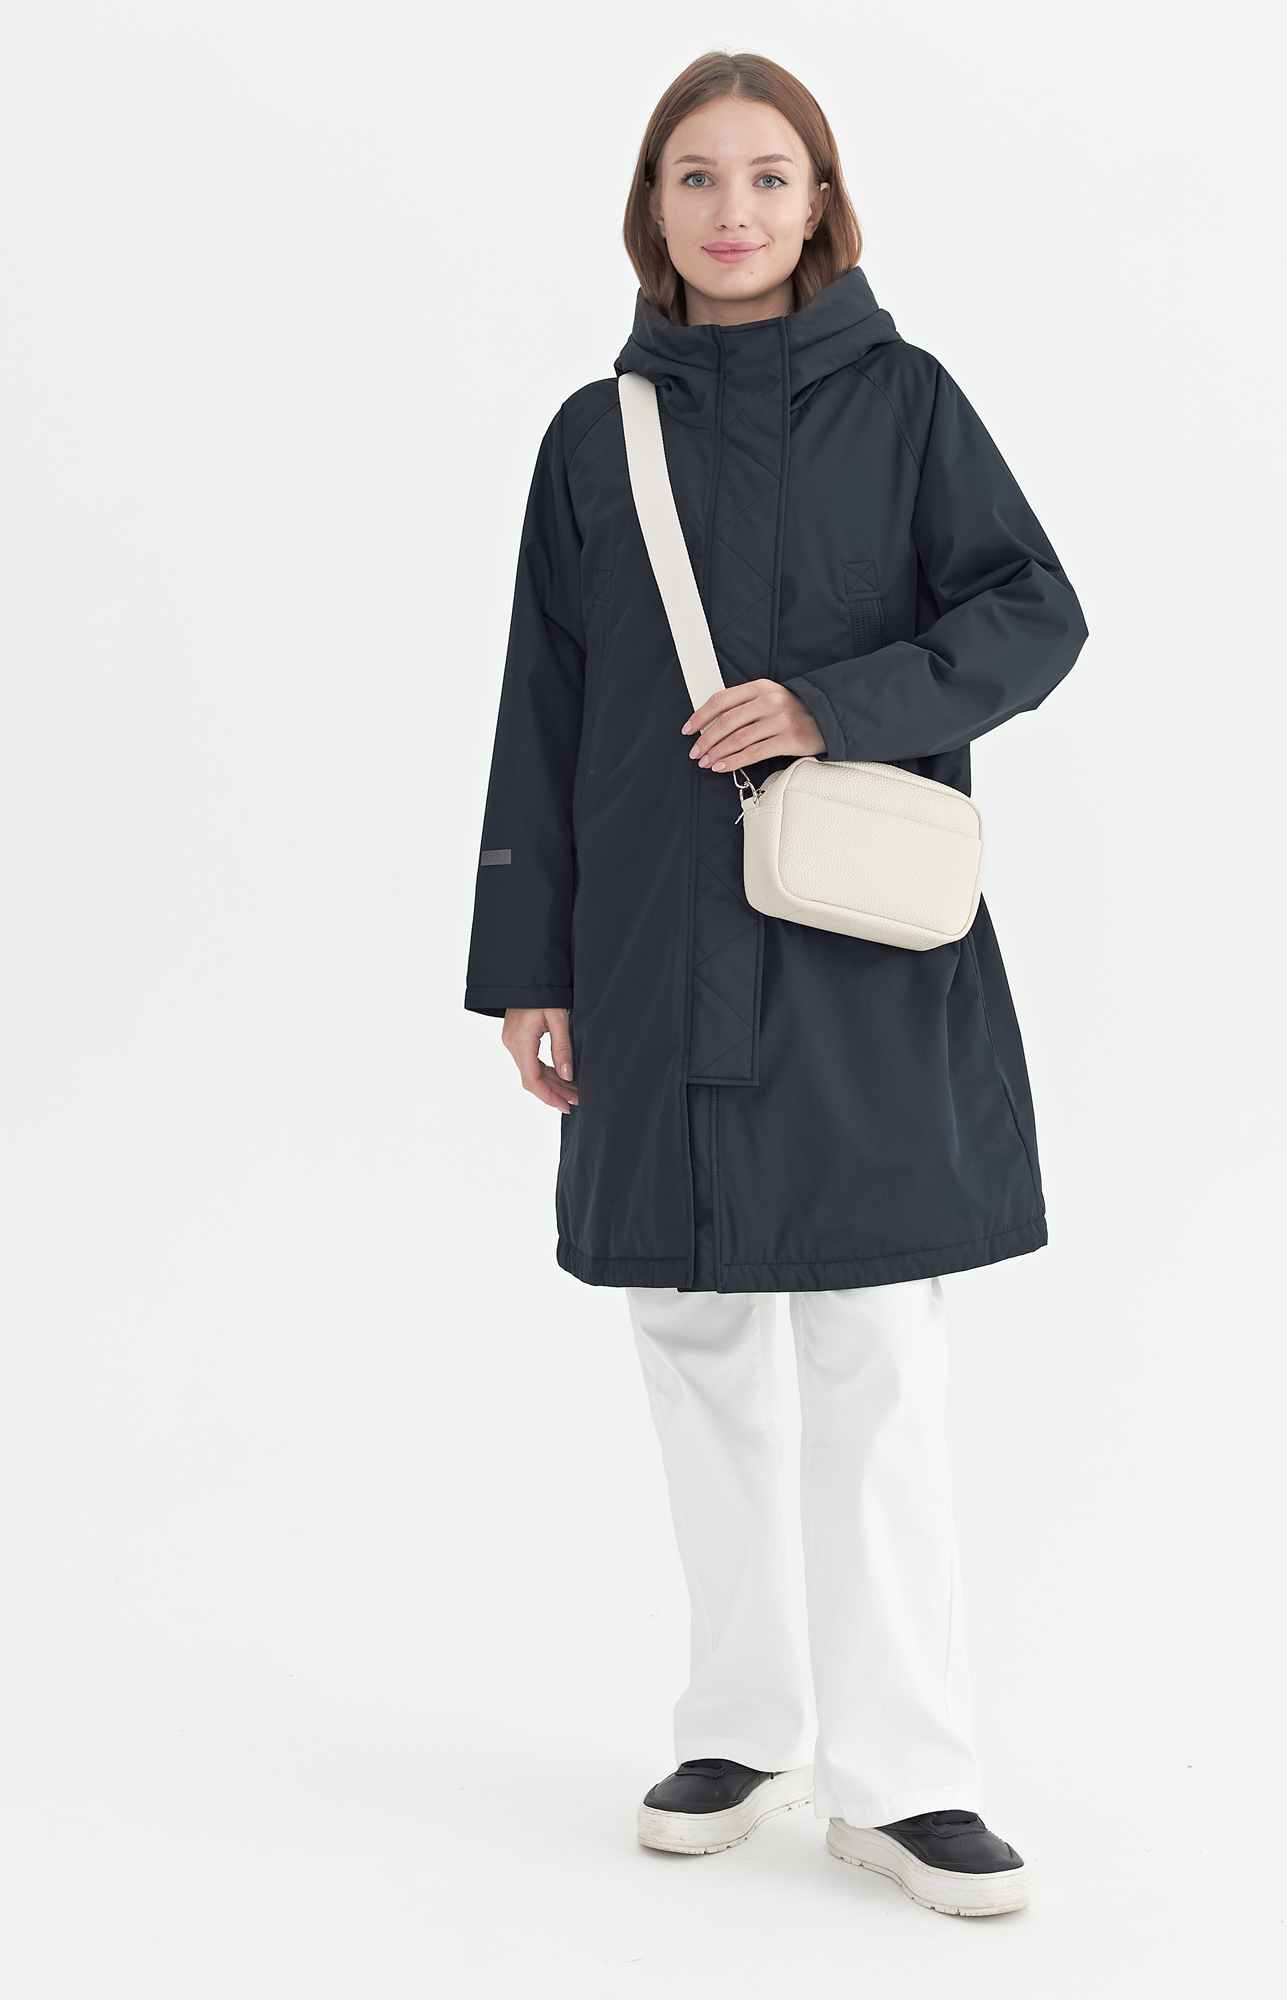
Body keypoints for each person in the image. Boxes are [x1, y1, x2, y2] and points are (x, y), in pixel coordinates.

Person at [464, 50, 1086, 1919]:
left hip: (852, 950)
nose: (732, 209)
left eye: (768, 174)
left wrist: (833, 703)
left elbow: (1032, 612)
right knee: (693, 1342)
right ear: (650, 209)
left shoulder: (908, 402)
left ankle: (910, 1779)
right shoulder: (592, 439)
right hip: (651, 956)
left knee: (875, 1352)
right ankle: (742, 1726)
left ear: (820, 202)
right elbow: (543, 704)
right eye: (695, 176)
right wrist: (530, 964)